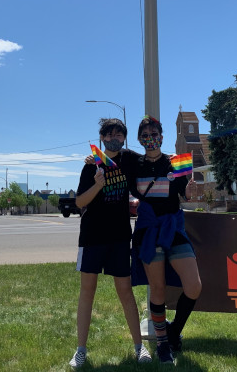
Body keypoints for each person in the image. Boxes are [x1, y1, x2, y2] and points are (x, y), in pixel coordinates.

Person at [69, 118, 152, 369]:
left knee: (125, 292)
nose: (114, 137)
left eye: (119, 133)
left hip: (118, 237)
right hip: (92, 236)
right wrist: (97, 185)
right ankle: (81, 350)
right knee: (87, 292)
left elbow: (152, 159)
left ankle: (139, 347)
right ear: (102, 137)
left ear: (124, 137)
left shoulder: (129, 159)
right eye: (109, 134)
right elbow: (80, 203)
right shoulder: (91, 165)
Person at [129, 115, 202, 365]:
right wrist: (91, 160)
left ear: (162, 136)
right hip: (148, 231)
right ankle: (162, 344)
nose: (151, 139)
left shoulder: (176, 163)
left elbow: (185, 193)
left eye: (154, 134)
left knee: (194, 286)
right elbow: (109, 162)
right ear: (140, 139)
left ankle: (174, 330)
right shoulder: (134, 165)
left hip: (173, 229)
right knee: (157, 289)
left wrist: (189, 191)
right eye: (146, 136)